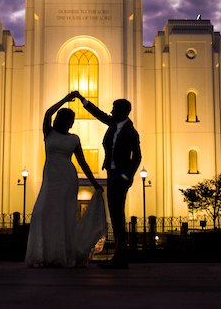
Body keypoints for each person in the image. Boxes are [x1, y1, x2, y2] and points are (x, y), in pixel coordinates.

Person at [25, 92, 104, 268]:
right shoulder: (49, 132)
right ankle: (44, 252)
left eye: (72, 120)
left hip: (68, 179)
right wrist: (64, 100)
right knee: (43, 211)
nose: (71, 122)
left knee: (63, 215)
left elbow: (82, 163)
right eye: (69, 119)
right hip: (51, 179)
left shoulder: (74, 139)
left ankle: (61, 254)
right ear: (61, 119)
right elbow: (47, 113)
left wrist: (94, 183)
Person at [72, 93, 141, 269]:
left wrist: (126, 176)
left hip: (120, 177)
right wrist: (82, 99)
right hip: (111, 174)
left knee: (118, 216)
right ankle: (120, 257)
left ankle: (120, 258)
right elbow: (99, 114)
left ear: (123, 112)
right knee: (116, 215)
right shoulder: (114, 124)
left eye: (115, 109)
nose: (111, 112)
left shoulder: (130, 132)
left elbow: (137, 157)